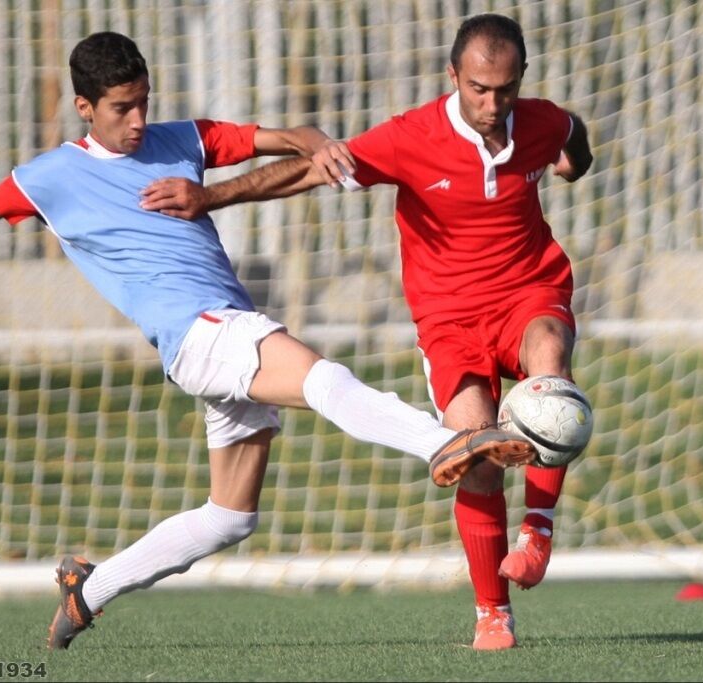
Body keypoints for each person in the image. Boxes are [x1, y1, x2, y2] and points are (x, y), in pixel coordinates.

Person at [0, 31, 538, 650]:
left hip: (222, 330)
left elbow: (277, 138)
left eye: (144, 101)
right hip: (201, 335)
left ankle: (90, 590)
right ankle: (442, 443)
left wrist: (315, 140)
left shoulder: (183, 139)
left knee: (230, 516)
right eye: (121, 108)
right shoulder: (50, 176)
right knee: (320, 374)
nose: (138, 119)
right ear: (84, 107)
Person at [139, 14, 593, 651]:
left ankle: (538, 530)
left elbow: (574, 134)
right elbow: (309, 173)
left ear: (521, 81)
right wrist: (210, 198)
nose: (493, 105)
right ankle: (493, 610)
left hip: (528, 291)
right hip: (448, 320)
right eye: (479, 90)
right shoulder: (411, 136)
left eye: (506, 90)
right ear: (453, 77)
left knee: (551, 366)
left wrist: (572, 164)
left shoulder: (543, 121)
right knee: (478, 456)